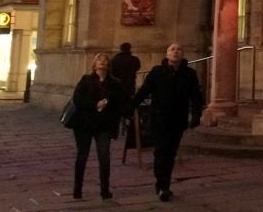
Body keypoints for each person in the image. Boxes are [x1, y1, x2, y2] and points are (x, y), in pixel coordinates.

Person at [132, 43, 203, 202]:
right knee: (160, 151)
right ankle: (161, 185)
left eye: (179, 49)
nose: (175, 52)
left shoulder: (189, 74)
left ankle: (165, 185)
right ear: (167, 54)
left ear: (182, 54)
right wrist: (132, 106)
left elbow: (196, 96)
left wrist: (196, 115)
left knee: (170, 153)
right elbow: (144, 90)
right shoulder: (157, 72)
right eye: (172, 49)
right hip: (159, 118)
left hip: (177, 119)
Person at [70, 52, 127, 200]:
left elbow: (119, 104)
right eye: (99, 59)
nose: (102, 61)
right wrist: (95, 104)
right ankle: (77, 189)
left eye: (105, 60)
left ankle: (105, 190)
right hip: (84, 124)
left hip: (104, 125)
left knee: (104, 157)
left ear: (108, 64)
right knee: (82, 155)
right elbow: (77, 99)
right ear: (94, 65)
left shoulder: (114, 83)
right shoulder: (86, 80)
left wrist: (109, 106)